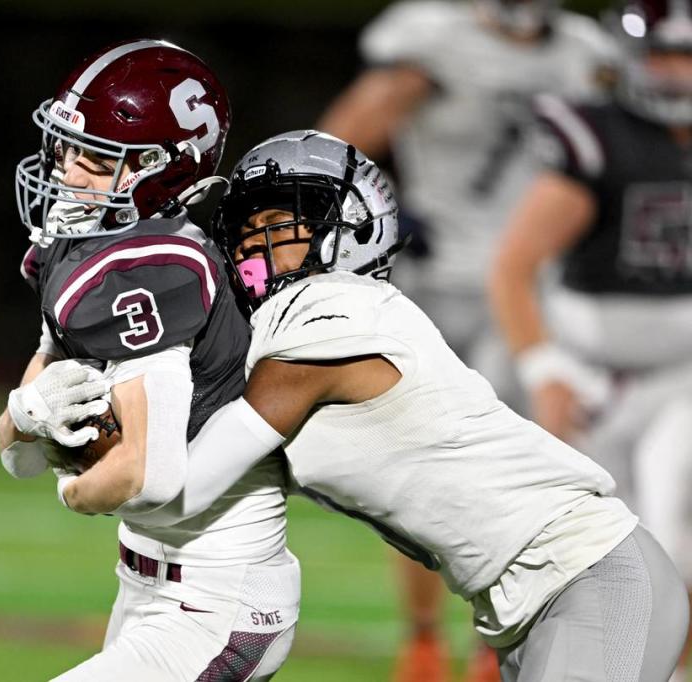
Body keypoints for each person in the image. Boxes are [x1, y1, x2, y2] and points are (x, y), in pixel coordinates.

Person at [43, 130, 690, 681]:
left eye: (276, 228)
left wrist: (83, 461)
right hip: (527, 603)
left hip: (592, 577)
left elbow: (185, 486)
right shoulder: (294, 329)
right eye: (243, 234)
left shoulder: (333, 314)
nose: (250, 253)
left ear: (349, 228)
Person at [316, 3, 620, 676]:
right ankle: (424, 635)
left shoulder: (584, 52)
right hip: (438, 285)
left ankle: (501, 637)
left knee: (535, 471)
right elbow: (335, 148)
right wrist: (377, 215)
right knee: (417, 470)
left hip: (534, 292)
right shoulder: (431, 40)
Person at [0, 39, 299, 682]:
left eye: (97, 160)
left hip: (216, 596)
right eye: (68, 149)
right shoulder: (77, 246)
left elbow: (146, 474)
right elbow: (15, 451)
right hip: (144, 581)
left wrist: (69, 485)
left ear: (164, 169)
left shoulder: (158, 267)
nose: (69, 173)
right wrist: (29, 413)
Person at [490, 1, 692, 678]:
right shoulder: (599, 136)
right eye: (661, 55)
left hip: (683, 375)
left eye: (684, 55)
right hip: (593, 377)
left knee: (676, 534)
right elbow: (514, 265)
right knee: (564, 554)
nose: (672, 73)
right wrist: (545, 369)